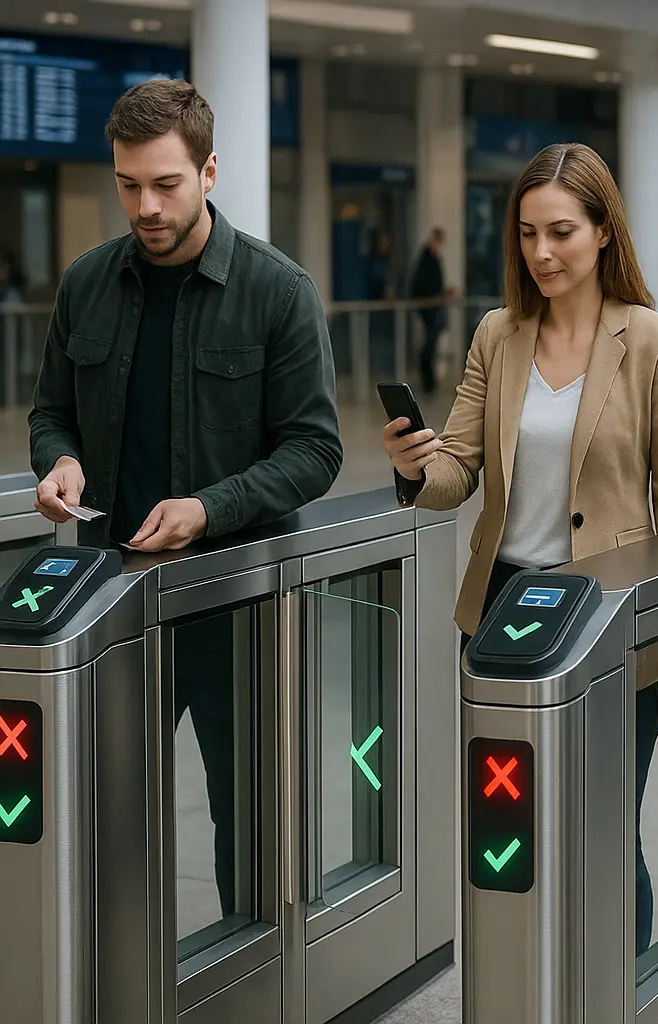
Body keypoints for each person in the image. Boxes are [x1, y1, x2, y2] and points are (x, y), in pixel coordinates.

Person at [27, 79, 343, 918]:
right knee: (96, 806)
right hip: (111, 600)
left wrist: (209, 507)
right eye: (128, 184)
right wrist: (60, 462)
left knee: (251, 817)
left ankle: (257, 974)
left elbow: (316, 451)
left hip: (240, 608)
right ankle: (101, 973)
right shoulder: (86, 283)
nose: (146, 206)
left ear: (208, 171)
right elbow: (51, 411)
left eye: (165, 184)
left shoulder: (278, 290)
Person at [380, 142, 658, 956]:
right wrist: (414, 467)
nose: (542, 252)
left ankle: (618, 988)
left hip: (606, 617)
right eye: (527, 234)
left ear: (603, 231)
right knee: (508, 825)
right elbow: (458, 472)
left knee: (604, 826)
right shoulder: (500, 334)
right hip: (501, 613)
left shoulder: (657, 343)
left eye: (560, 231)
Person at [408, 227, 456, 394]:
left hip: (434, 308)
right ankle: (428, 381)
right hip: (430, 309)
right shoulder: (427, 261)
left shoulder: (432, 260)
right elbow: (423, 286)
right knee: (429, 347)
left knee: (431, 345)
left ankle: (430, 380)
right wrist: (437, 295)